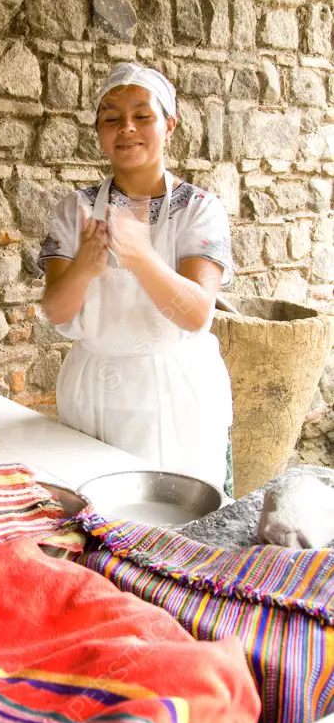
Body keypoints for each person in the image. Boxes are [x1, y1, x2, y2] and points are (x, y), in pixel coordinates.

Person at [39, 62, 234, 492]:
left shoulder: (200, 209)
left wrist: (143, 256)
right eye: (111, 118)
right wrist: (87, 266)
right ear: (99, 132)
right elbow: (55, 310)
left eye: (142, 115)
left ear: (169, 125)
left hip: (174, 393)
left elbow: (196, 314)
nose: (126, 127)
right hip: (93, 387)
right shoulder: (76, 210)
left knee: (170, 523)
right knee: (96, 517)